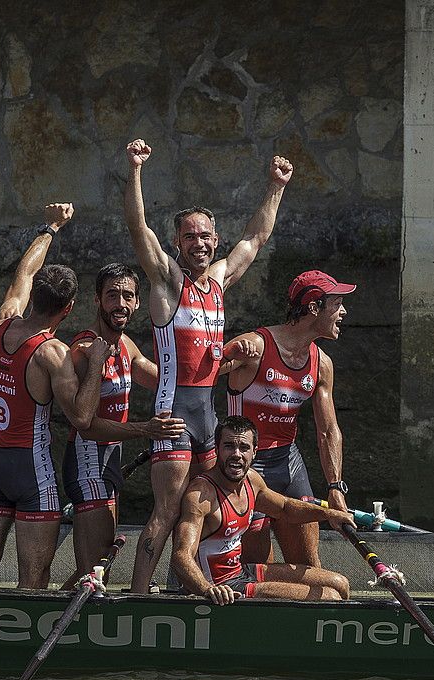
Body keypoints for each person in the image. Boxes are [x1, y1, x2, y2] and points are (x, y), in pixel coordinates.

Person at [123, 137, 294, 593]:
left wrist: (276, 186)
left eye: (205, 237)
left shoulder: (218, 279)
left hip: (209, 418)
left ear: (214, 241)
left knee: (198, 507)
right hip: (174, 417)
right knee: (166, 509)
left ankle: (186, 585)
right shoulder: (167, 281)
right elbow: (138, 226)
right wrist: (136, 168)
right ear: (178, 243)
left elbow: (256, 237)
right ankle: (138, 596)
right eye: (189, 237)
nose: (198, 244)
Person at [0, 203, 112, 590]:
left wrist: (51, 227)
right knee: (34, 578)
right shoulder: (52, 353)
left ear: (35, 299)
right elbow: (81, 418)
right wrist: (96, 362)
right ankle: (22, 643)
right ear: (70, 309)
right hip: (32, 470)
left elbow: (24, 272)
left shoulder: (3, 321)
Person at [60, 262, 186, 585]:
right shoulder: (83, 350)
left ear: (138, 303)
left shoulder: (126, 345)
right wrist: (145, 429)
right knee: (93, 571)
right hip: (88, 461)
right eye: (112, 295)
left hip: (110, 464)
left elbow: (164, 379)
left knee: (101, 565)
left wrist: (216, 364)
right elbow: (85, 422)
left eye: (127, 296)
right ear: (97, 300)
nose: (120, 304)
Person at [222, 269, 355, 567]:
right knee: (256, 568)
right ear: (312, 307)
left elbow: (329, 432)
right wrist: (222, 354)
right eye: (337, 303)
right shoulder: (255, 346)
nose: (343, 311)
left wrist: (335, 487)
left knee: (311, 566)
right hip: (246, 465)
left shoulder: (322, 364)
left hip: (288, 464)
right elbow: (194, 378)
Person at [171, 416, 353, 604]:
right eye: (228, 446)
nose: (236, 454)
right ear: (217, 449)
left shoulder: (252, 480)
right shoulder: (201, 495)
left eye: (244, 448)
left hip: (242, 571)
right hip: (223, 587)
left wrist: (330, 514)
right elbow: (181, 555)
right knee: (330, 597)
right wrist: (207, 589)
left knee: (340, 583)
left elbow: (285, 508)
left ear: (254, 452)